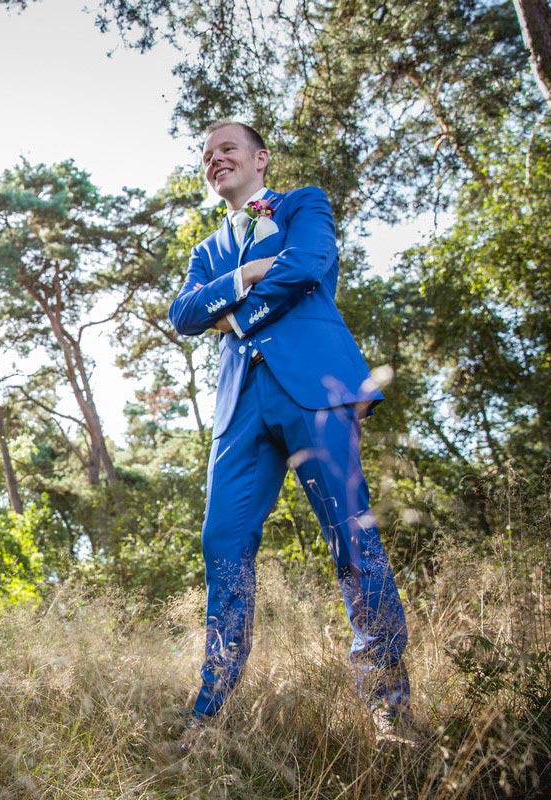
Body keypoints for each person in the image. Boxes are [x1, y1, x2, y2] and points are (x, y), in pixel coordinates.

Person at [168, 121, 411, 743]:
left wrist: (234, 315)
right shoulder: (207, 251)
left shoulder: (303, 203)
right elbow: (184, 314)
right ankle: (209, 716)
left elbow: (309, 263)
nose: (214, 159)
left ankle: (388, 707)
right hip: (239, 408)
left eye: (227, 148)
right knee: (222, 543)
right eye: (206, 154)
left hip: (313, 385)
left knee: (351, 538)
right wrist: (245, 277)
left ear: (260, 159)